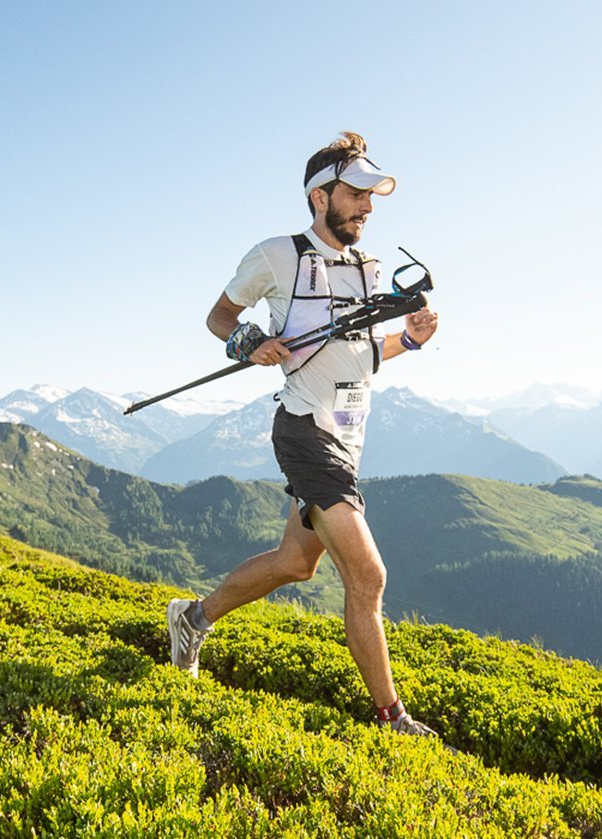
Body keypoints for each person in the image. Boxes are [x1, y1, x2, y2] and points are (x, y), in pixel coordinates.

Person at [166, 131, 440, 736]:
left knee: (296, 563)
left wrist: (411, 339)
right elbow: (219, 318)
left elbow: (360, 355)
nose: (368, 207)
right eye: (356, 194)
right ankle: (392, 718)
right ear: (320, 197)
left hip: (347, 436)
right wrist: (248, 342)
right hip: (304, 431)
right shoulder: (276, 255)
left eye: (372, 197)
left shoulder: (369, 269)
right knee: (368, 576)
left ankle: (193, 618)